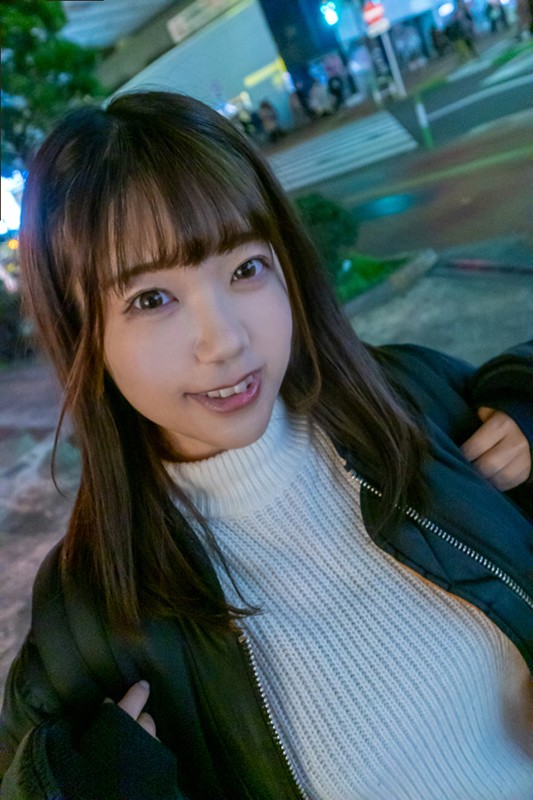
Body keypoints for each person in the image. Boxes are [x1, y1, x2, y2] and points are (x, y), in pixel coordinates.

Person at [0, 91, 532, 800]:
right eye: (151, 299)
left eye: (245, 269)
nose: (224, 341)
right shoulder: (90, 618)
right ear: (85, 336)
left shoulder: (407, 399)